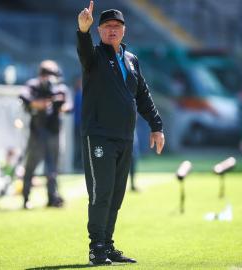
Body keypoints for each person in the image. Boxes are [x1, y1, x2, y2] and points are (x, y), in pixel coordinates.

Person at [77, 1, 165, 265]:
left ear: (124, 30)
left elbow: (143, 95)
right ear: (100, 31)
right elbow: (83, 50)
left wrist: (156, 126)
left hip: (125, 137)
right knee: (101, 192)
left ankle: (108, 244)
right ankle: (96, 248)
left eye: (116, 26)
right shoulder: (93, 56)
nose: (111, 30)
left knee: (116, 195)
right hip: (99, 136)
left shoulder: (131, 59)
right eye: (106, 27)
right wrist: (83, 31)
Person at [19, 60, 73, 209]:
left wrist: (59, 106)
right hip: (36, 133)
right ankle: (25, 198)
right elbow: (23, 96)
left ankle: (52, 197)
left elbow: (68, 106)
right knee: (30, 167)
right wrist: (39, 103)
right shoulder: (34, 86)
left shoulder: (60, 89)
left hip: (53, 133)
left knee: (52, 169)